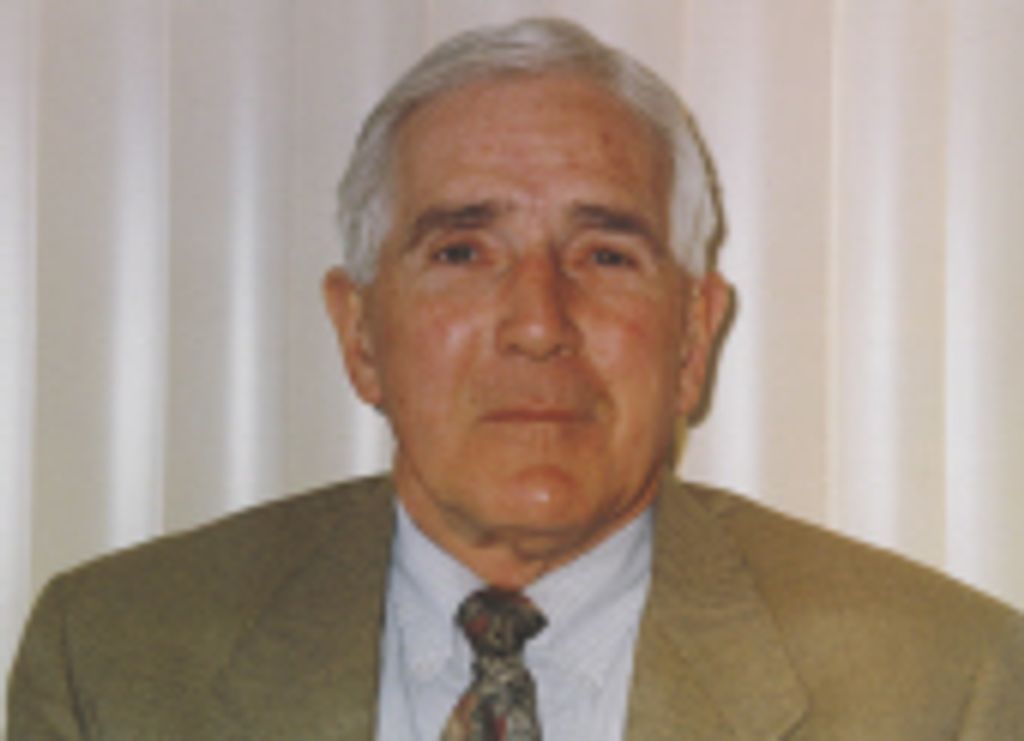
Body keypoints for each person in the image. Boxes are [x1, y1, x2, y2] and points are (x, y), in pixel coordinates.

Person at [9, 17, 1023, 740]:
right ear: (360, 335)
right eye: (462, 251)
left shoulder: (947, 690)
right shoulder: (111, 662)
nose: (539, 323)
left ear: (692, 339)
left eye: (606, 254)